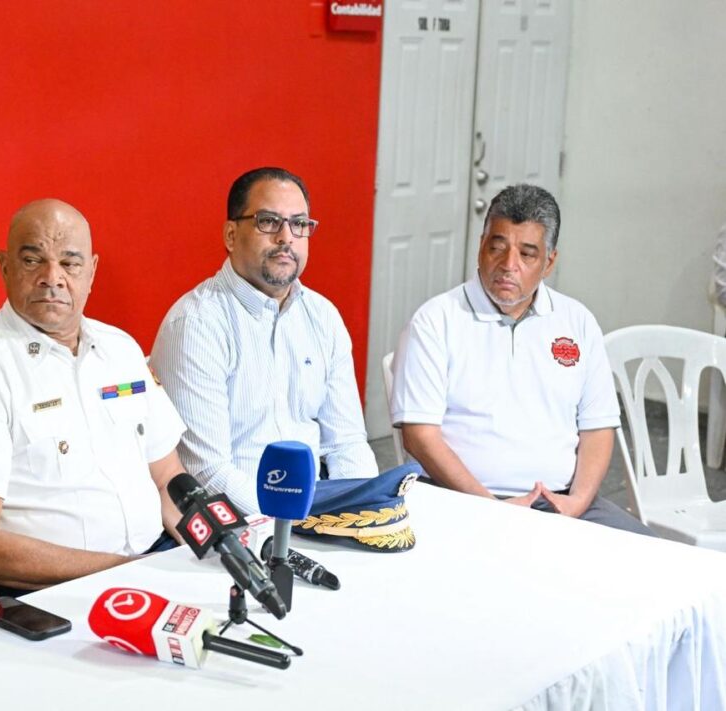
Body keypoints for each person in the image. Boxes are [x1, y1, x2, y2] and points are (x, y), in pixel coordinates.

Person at [0, 199, 186, 598]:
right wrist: (126, 574)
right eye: (33, 261)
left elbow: (168, 478)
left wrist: (218, 547)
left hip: (153, 569)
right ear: (4, 266)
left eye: (70, 263)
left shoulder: (121, 350)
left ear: (92, 272)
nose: (53, 278)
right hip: (51, 597)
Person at [390, 184, 652, 535]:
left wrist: (576, 502)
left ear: (549, 262)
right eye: (497, 247)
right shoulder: (436, 320)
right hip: (459, 499)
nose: (508, 265)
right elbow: (419, 436)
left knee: (658, 563)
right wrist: (489, 507)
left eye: (527, 254)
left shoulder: (577, 321)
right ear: (481, 245)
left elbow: (598, 427)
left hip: (559, 504)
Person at [150, 167, 379, 515]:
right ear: (230, 234)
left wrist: (356, 510)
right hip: (240, 526)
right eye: (269, 222)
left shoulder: (323, 316)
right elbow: (208, 473)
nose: (286, 237)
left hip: (316, 513)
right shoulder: (196, 324)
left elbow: (346, 442)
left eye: (299, 224)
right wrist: (298, 520)